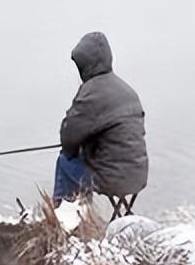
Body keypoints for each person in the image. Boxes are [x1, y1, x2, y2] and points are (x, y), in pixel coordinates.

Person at [53, 32, 149, 205]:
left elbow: (68, 138)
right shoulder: (127, 90)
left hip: (112, 180)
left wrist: (75, 148)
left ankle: (64, 217)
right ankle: (83, 215)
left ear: (85, 64)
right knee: (80, 157)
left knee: (65, 161)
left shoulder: (92, 92)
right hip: (138, 176)